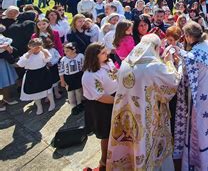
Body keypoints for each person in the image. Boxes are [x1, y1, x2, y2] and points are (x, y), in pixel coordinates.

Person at [107, 34, 182, 170]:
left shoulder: (126, 62)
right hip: (147, 117)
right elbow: (172, 83)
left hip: (126, 114)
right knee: (146, 144)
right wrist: (169, 61)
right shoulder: (154, 66)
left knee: (129, 144)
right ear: (154, 47)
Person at [173, 21, 208, 170]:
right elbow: (198, 59)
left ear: (189, 37)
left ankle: (202, 164)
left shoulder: (192, 56)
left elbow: (183, 77)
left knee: (200, 129)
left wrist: (178, 62)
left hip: (202, 98)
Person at [82, 42, 118, 170]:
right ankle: (104, 161)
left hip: (114, 98)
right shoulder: (90, 75)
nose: (106, 54)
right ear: (94, 56)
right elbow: (100, 96)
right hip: (101, 106)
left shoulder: (107, 62)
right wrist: (119, 101)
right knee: (106, 134)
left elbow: (115, 74)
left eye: (105, 51)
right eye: (102, 53)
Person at [17, 38, 55, 115]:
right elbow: (20, 64)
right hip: (32, 74)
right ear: (29, 46)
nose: (36, 49)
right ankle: (39, 106)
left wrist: (44, 51)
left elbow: (47, 60)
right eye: (34, 47)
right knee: (35, 91)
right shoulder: (26, 55)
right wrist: (28, 54)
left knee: (48, 89)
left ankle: (52, 103)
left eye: (38, 47)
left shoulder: (43, 52)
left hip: (43, 72)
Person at [59, 42, 84, 114]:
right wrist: (62, 81)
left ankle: (79, 104)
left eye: (67, 51)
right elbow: (61, 71)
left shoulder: (80, 56)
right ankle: (73, 106)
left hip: (78, 75)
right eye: (64, 51)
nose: (65, 53)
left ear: (74, 50)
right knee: (70, 92)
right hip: (68, 77)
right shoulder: (63, 59)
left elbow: (83, 66)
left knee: (79, 91)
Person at [0, 24, 18, 112]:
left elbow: (7, 40)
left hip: (3, 61)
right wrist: (3, 47)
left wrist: (7, 46)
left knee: (5, 80)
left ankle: (6, 98)